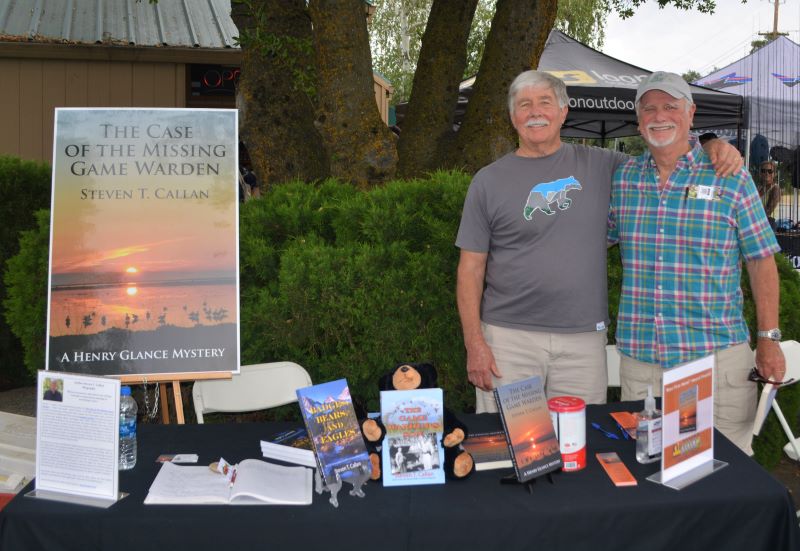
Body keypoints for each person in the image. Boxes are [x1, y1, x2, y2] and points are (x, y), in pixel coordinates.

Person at [455, 70, 742, 413]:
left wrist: (711, 143)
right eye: (525, 104)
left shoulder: (605, 165)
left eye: (545, 102)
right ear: (512, 115)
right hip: (507, 340)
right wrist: (475, 342)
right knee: (513, 446)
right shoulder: (487, 182)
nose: (535, 112)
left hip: (582, 342)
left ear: (564, 111)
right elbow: (470, 269)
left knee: (579, 444)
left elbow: (665, 156)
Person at [607, 71, 786, 454]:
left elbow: (761, 262)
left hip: (715, 361)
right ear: (638, 121)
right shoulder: (623, 179)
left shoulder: (730, 176)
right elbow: (586, 239)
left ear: (692, 114)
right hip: (643, 367)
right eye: (649, 108)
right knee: (646, 478)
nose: (660, 115)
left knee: (724, 487)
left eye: (671, 106)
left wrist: (769, 340)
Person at [757, 160, 781, 227]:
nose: (766, 173)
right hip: (758, 220)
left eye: (770, 171)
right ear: (760, 173)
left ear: (774, 174)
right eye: (763, 171)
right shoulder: (759, 187)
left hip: (769, 222)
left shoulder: (775, 188)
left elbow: (769, 210)